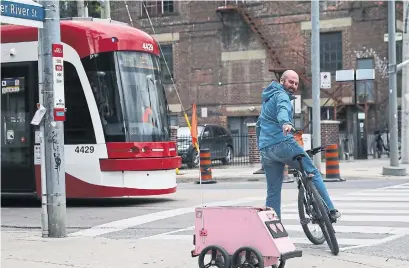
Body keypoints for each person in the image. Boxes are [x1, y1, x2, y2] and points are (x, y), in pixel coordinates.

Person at [256, 70, 341, 221]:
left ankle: (274, 229)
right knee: (312, 172)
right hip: (282, 144)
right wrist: (286, 123)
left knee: (273, 191)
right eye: (290, 82)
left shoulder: (267, 99)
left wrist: (261, 146)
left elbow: (258, 125)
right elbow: (283, 110)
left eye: (296, 83)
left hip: (267, 150)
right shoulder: (281, 95)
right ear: (282, 81)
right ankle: (330, 209)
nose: (293, 86)